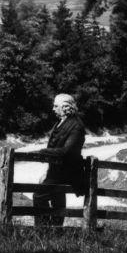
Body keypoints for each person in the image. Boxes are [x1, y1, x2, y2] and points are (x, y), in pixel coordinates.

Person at [32, 93, 86, 228]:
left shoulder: (76, 126)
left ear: (65, 107)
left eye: (56, 106)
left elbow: (66, 152)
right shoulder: (60, 123)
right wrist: (47, 170)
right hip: (56, 170)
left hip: (68, 172)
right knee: (57, 197)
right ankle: (54, 230)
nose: (53, 109)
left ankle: (43, 229)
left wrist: (42, 152)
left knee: (39, 195)